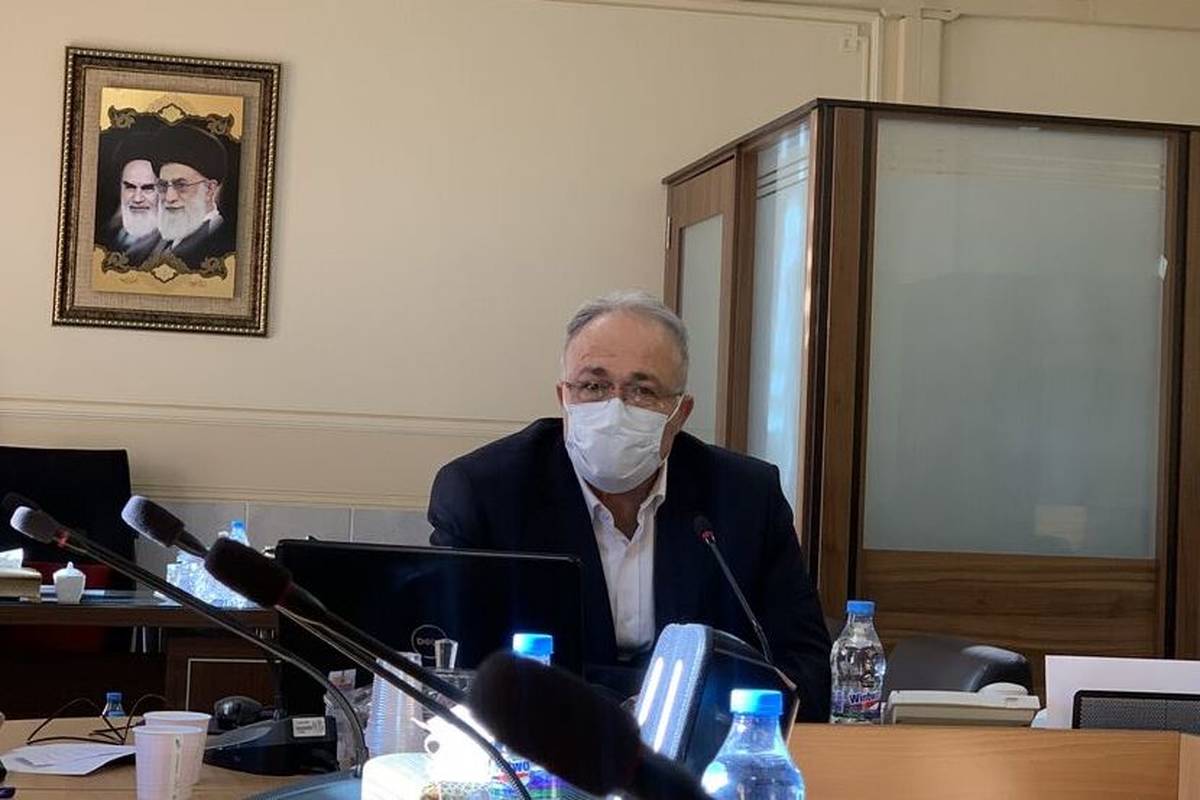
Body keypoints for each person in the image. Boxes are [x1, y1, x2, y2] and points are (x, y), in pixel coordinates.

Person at [428, 290, 832, 720]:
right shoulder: (484, 492)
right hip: (542, 746)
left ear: (680, 413)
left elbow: (806, 674)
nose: (614, 408)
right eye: (593, 386)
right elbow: (457, 669)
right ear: (563, 398)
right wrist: (661, 696)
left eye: (643, 390)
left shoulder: (746, 497)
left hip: (699, 752)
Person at [147, 124, 235, 271]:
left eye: (181, 185)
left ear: (209, 189)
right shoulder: (165, 240)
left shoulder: (219, 244)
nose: (169, 197)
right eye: (163, 185)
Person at [96, 135, 162, 266]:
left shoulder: (174, 246)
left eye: (148, 188)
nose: (137, 199)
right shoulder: (105, 235)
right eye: (130, 187)